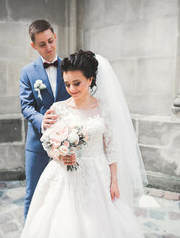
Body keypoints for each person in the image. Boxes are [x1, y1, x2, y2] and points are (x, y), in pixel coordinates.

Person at [21, 50, 148, 238]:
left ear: (90, 79)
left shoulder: (104, 108)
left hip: (97, 175)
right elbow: (49, 145)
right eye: (67, 84)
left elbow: (111, 148)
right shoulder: (58, 109)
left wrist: (114, 181)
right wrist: (60, 155)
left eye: (76, 83)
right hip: (63, 175)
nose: (71, 89)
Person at [19, 19, 70, 219]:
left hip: (69, 142)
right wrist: (41, 121)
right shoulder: (27, 72)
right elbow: (26, 106)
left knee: (66, 193)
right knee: (33, 193)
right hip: (37, 144)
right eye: (42, 44)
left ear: (55, 37)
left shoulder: (69, 66)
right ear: (34, 46)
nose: (48, 47)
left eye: (51, 41)